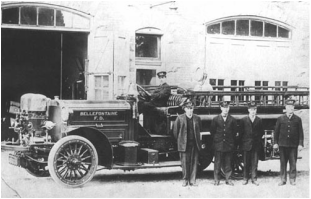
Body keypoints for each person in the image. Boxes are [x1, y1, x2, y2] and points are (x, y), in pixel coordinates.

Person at [273, 99, 304, 186]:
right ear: (286, 108)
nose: (291, 108)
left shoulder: (298, 119)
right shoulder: (280, 118)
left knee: (293, 162)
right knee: (283, 163)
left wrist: (300, 144)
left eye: (292, 107)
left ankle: (292, 179)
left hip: (293, 145)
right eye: (289, 107)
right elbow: (276, 132)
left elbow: (301, 133)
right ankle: (283, 179)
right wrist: (275, 143)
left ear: (294, 108)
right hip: (282, 145)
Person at [173, 99, 202, 187]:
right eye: (188, 108)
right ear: (184, 109)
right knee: (185, 163)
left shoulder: (197, 118)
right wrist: (181, 141)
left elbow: (200, 130)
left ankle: (192, 180)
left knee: (194, 162)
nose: (190, 110)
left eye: (191, 108)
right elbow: (175, 132)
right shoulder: (180, 118)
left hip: (194, 144)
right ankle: (185, 180)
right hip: (184, 145)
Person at [210, 101, 238, 186]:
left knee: (228, 163)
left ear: (229, 108)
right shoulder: (215, 119)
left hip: (228, 144)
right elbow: (212, 131)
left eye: (227, 108)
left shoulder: (233, 120)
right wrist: (218, 140)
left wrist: (230, 141)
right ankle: (216, 180)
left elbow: (234, 132)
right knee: (217, 163)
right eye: (224, 108)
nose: (226, 110)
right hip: (219, 144)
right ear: (221, 108)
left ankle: (228, 179)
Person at [239, 102, 264, 186]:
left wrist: (257, 141)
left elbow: (261, 132)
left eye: (255, 109)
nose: (253, 111)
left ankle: (254, 179)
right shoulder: (243, 120)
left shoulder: (259, 120)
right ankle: (245, 178)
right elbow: (241, 133)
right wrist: (242, 144)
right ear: (248, 110)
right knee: (246, 163)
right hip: (246, 145)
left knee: (255, 163)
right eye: (252, 109)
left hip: (256, 145)